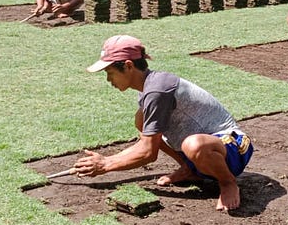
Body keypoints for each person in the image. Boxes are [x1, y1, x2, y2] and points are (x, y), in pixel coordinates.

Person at [74, 35, 253, 212]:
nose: (108, 80)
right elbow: (146, 143)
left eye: (110, 72)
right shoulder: (148, 87)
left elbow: (147, 153)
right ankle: (189, 169)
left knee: (194, 144)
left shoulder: (157, 90)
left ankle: (227, 182)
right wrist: (106, 161)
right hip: (205, 152)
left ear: (128, 66)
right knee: (142, 121)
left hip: (233, 148)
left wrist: (105, 164)